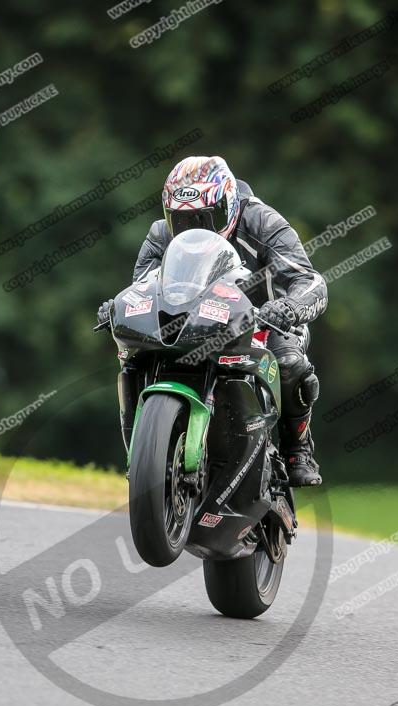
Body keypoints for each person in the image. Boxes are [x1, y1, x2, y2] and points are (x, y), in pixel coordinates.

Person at [97, 156, 327, 486]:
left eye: (206, 217)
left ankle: (297, 449)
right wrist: (117, 307)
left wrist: (289, 308)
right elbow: (141, 286)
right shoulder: (160, 234)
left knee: (289, 362)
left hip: (265, 320)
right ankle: (144, 453)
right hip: (192, 321)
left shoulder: (263, 222)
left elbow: (310, 280)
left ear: (230, 203)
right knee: (133, 356)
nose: (195, 229)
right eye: (183, 220)